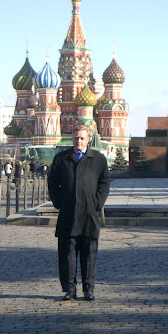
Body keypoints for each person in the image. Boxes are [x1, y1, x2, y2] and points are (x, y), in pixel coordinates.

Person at [48, 125, 110, 301]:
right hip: (68, 213)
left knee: (89, 254)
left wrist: (97, 203)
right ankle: (69, 289)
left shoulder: (97, 159)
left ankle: (88, 289)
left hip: (89, 214)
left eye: (82, 138)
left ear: (88, 139)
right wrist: (59, 203)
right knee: (67, 253)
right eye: (76, 138)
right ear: (72, 139)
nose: (79, 141)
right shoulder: (62, 158)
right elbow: (53, 183)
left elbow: (104, 183)